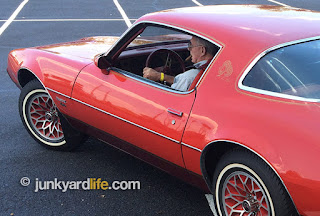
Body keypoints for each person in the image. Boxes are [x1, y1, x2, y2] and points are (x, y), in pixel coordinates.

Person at [143, 36, 216, 91]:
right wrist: (161, 76)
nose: (188, 49)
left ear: (202, 50)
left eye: (191, 45)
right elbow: (182, 81)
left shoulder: (188, 77)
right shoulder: (216, 67)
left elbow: (170, 98)